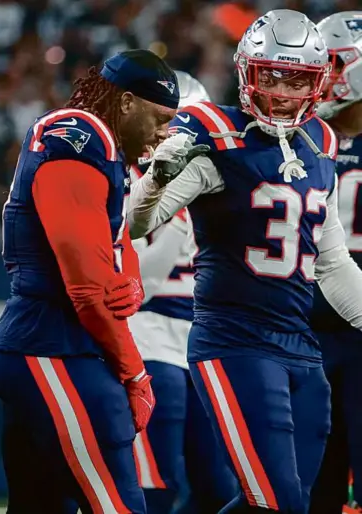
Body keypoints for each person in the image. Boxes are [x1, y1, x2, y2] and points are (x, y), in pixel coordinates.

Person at [126, 10, 362, 514]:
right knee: (278, 503)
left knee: (295, 502)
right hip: (235, 342)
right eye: (270, 75)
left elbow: (333, 262)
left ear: (317, 84)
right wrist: (157, 179)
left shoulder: (321, 142)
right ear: (245, 73)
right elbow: (138, 222)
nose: (280, 92)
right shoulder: (215, 132)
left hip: (303, 347)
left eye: (295, 79)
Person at [0, 49, 207, 514]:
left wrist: (125, 278)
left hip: (54, 343)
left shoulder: (106, 150)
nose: (165, 132)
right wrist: (135, 372)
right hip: (53, 345)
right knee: (120, 504)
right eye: (161, 117)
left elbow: (114, 255)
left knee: (47, 506)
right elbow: (86, 289)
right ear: (127, 102)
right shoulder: (81, 136)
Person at [129, 70, 238, 514]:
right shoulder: (132, 182)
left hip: (205, 339)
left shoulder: (223, 181)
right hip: (150, 334)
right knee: (158, 484)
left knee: (219, 485)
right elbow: (135, 279)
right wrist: (176, 229)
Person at [308, 11, 362, 514]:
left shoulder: (303, 143)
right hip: (308, 330)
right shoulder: (302, 140)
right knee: (310, 484)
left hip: (332, 329)